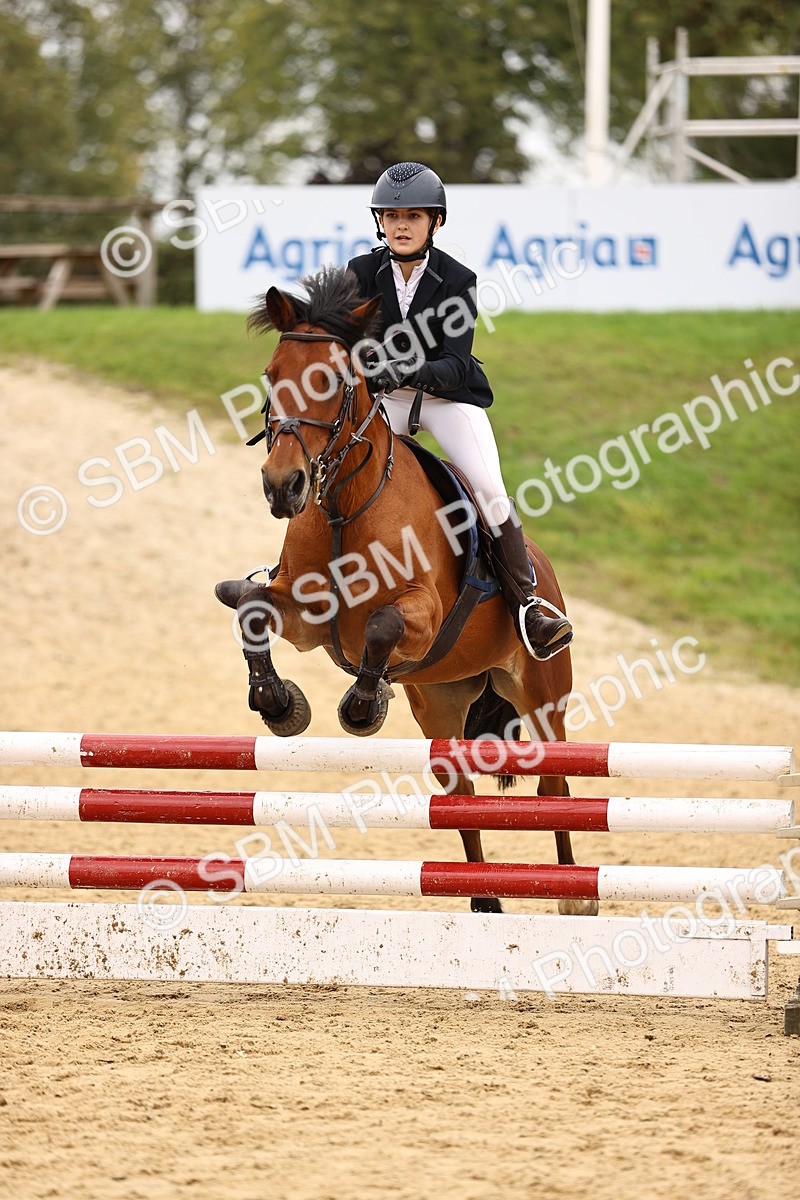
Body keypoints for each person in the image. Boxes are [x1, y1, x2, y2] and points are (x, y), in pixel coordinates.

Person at [346, 161, 573, 661]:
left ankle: (527, 606)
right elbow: (350, 343)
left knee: (489, 488)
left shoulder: (457, 279)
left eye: (413, 216)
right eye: (391, 216)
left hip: (448, 400)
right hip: (386, 402)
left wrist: (400, 367)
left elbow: (453, 364)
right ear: (380, 221)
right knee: (336, 466)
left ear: (435, 223)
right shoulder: (362, 273)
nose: (401, 226)